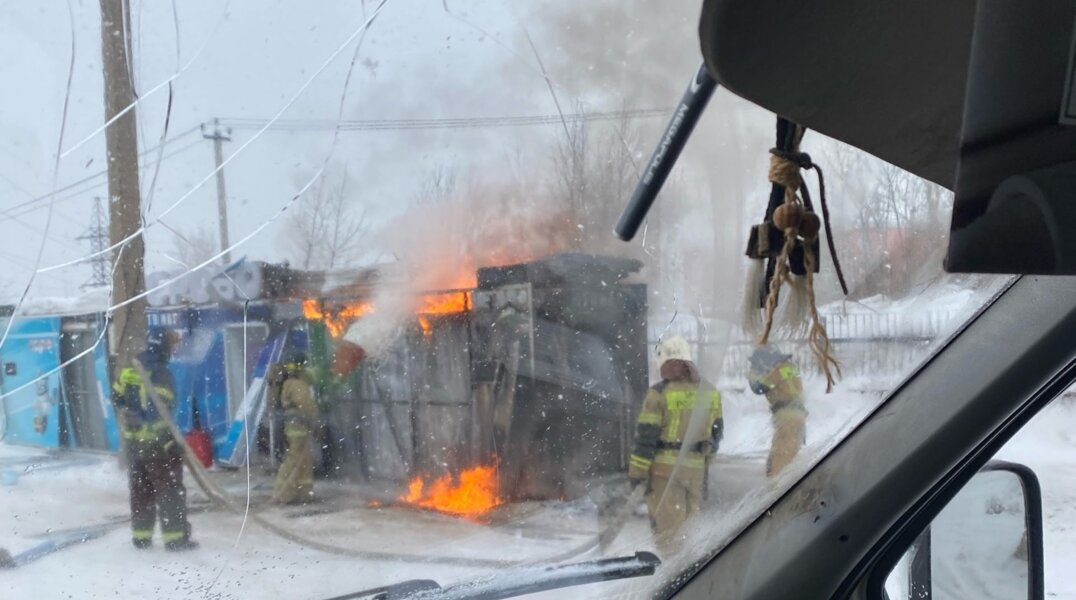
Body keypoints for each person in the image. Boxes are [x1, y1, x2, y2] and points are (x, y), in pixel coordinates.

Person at [628, 335, 724, 551]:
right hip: (695, 474)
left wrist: (637, 474)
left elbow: (646, 438)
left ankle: (675, 580)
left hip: (665, 474)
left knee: (668, 536)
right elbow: (716, 432)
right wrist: (705, 461)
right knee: (688, 534)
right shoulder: (709, 392)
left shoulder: (659, 393)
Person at [112, 328, 198, 551]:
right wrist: (170, 440)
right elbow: (159, 410)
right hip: (158, 445)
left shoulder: (130, 367)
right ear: (163, 346)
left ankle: (141, 536)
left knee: (141, 491)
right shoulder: (160, 373)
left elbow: (116, 396)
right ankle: (175, 539)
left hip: (134, 444)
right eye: (171, 346)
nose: (173, 350)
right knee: (170, 491)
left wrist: (129, 412)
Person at [748, 344, 807, 476]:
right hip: (798, 415)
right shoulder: (789, 367)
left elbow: (758, 387)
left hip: (787, 417)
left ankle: (778, 494)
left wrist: (753, 372)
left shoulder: (776, 370)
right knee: (789, 458)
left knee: (777, 464)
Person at [270, 350, 319, 505]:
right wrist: (315, 417)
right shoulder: (297, 384)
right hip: (298, 426)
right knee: (294, 458)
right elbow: (305, 404)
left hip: (296, 425)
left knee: (303, 459)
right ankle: (284, 493)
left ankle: (303, 491)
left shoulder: (289, 382)